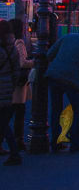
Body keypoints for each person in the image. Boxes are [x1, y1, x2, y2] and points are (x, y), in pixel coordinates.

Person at [46, 26, 79, 153]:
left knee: (56, 110)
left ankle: (55, 141)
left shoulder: (68, 37)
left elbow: (50, 54)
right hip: (73, 79)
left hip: (54, 75)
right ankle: (76, 143)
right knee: (78, 111)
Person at [0, 20, 21, 165]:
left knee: (3, 124)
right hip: (7, 87)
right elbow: (16, 70)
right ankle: (14, 152)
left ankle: (15, 152)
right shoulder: (12, 48)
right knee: (3, 121)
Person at [10, 19, 33, 151]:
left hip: (11, 80)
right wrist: (35, 62)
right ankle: (18, 140)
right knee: (19, 111)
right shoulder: (19, 43)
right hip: (19, 83)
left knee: (11, 111)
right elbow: (23, 62)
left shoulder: (9, 42)